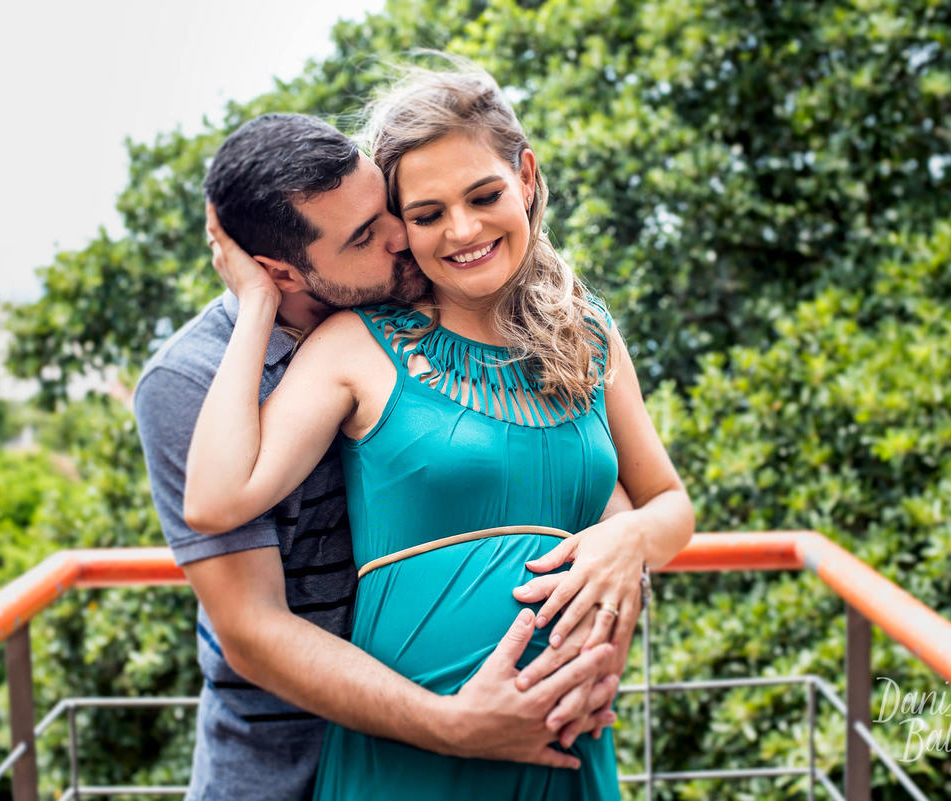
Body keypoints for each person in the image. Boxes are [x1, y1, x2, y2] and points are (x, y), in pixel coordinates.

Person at [184, 63, 694, 800]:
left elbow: (671, 506)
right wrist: (257, 298)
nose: (463, 230)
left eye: (484, 196)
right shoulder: (358, 343)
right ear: (400, 226)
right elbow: (216, 499)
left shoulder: (588, 331)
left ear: (525, 177)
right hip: (411, 759)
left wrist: (629, 541)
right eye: (426, 215)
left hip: (566, 747)